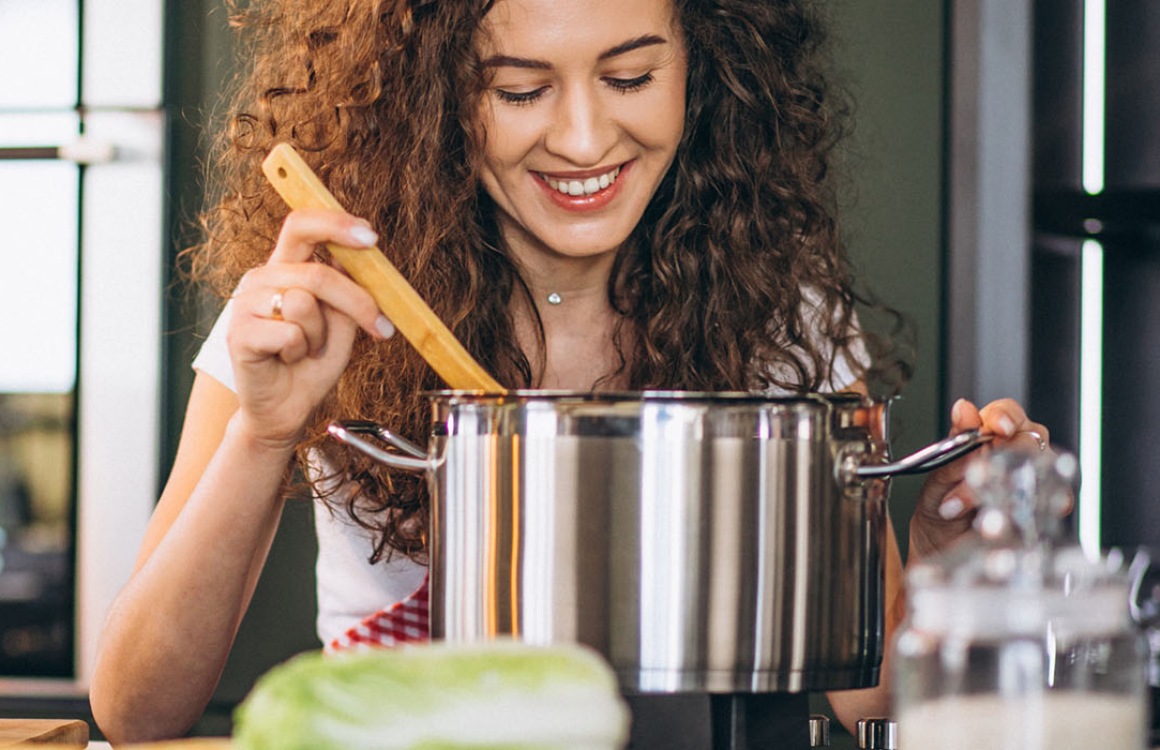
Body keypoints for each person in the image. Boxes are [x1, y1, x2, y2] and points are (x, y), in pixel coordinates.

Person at [88, 0, 1051, 743]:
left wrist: (938, 561)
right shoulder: (313, 309)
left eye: (631, 76)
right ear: (434, 91)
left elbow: (869, 700)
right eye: (519, 90)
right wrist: (263, 435)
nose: (585, 139)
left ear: (702, 68)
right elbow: (135, 712)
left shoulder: (785, 317)